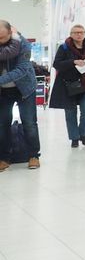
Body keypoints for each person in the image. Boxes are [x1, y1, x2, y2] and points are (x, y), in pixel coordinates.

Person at [49, 25, 85, 148]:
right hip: (68, 85)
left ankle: (83, 134)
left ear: (84, 33)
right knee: (70, 113)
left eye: (81, 32)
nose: (79, 35)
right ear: (71, 34)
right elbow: (57, 64)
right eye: (76, 32)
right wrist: (73, 62)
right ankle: (74, 138)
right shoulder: (64, 47)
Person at [0, 21, 40, 170]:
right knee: (2, 125)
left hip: (25, 89)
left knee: (29, 123)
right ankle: (4, 157)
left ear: (11, 33)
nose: (0, 41)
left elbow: (22, 69)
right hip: (3, 92)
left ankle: (33, 155)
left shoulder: (23, 45)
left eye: (2, 37)